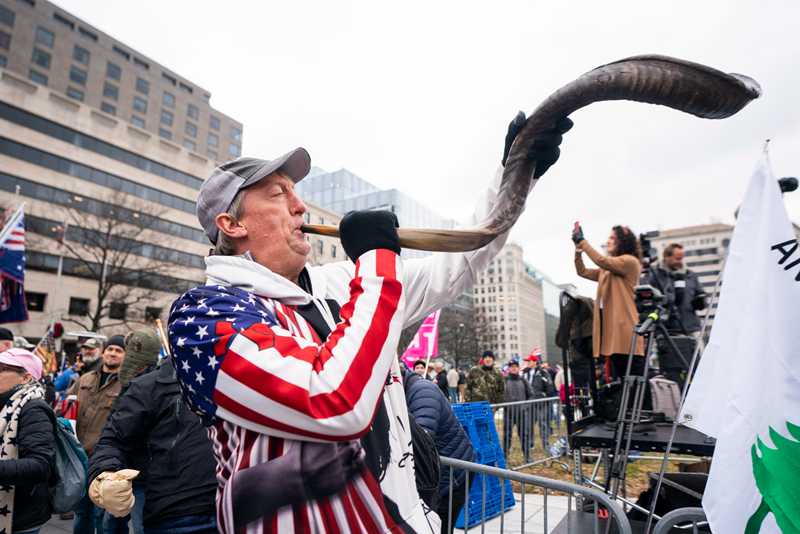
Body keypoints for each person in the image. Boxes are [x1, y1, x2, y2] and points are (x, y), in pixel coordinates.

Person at [166, 113, 570, 533]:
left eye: (296, 192)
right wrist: (378, 261)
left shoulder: (337, 283)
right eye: (277, 194)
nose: (300, 205)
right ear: (232, 225)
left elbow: (456, 265)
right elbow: (332, 403)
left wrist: (515, 176)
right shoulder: (205, 315)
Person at [88, 330, 218, 534]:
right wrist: (104, 474)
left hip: (238, 508)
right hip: (171, 508)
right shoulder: (150, 386)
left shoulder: (251, 384)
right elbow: (114, 437)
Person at [96, 331, 162, 534]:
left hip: (144, 472)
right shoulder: (127, 383)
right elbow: (115, 424)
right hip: (119, 468)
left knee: (142, 526)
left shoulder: (155, 384)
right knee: (110, 525)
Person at [403, 366, 475, 534]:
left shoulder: (423, 392)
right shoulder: (405, 392)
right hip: (439, 470)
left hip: (453, 475)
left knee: (439, 526)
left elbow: (422, 440)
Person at [573, 224, 645, 381]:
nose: (609, 241)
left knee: (634, 389)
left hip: (627, 335)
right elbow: (582, 271)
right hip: (614, 337)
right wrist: (578, 250)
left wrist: (583, 242)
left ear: (623, 241)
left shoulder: (630, 262)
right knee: (621, 387)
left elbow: (601, 260)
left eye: (613, 238)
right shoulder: (607, 270)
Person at [74, 335, 127, 534]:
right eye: (110, 349)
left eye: (119, 350)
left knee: (101, 517)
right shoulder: (85, 379)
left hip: (105, 462)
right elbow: (68, 408)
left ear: (125, 356)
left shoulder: (126, 385)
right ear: (103, 351)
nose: (113, 353)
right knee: (81, 514)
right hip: (80, 457)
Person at [0, 348, 55, 534]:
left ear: (25, 378)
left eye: (2, 368)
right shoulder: (3, 403)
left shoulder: (34, 409)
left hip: (19, 515)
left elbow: (41, 465)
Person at [642, 243, 707, 335]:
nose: (680, 261)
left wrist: (701, 302)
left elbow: (701, 296)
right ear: (666, 257)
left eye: (681, 258)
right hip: (664, 331)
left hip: (690, 329)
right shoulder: (653, 275)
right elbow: (646, 299)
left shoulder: (690, 275)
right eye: (677, 259)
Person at [521, 354, 556, 450]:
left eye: (529, 361)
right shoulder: (524, 373)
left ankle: (546, 444)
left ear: (534, 362)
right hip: (529, 403)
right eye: (527, 361)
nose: (527, 363)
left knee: (543, 423)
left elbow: (549, 386)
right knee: (528, 424)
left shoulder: (542, 373)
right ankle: (530, 443)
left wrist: (545, 396)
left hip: (541, 403)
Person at [502, 359, 533, 461]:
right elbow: (501, 395)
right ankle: (505, 456)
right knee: (507, 435)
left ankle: (527, 456)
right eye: (511, 366)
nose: (514, 368)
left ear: (519, 368)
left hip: (522, 413)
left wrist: (525, 406)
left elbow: (531, 395)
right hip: (509, 413)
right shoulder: (505, 381)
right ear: (509, 369)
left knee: (524, 434)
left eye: (515, 366)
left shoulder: (523, 380)